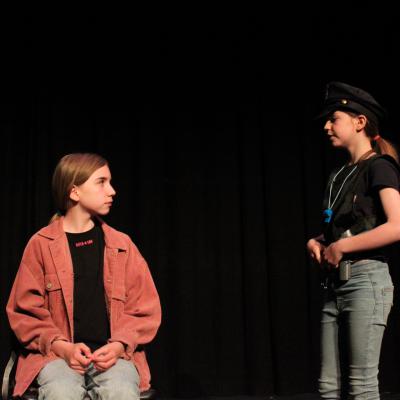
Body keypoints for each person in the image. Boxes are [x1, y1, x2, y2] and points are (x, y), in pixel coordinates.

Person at [7, 153, 161, 400]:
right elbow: (25, 313)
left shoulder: (122, 245)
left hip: (114, 358)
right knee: (61, 391)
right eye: (101, 182)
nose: (112, 191)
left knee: (120, 390)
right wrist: (62, 347)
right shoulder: (41, 245)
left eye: (110, 182)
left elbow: (144, 308)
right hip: (55, 357)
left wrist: (119, 345)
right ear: (74, 192)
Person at [306, 82, 400, 399]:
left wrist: (342, 247)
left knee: (361, 386)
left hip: (366, 281)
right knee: (328, 386)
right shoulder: (339, 174)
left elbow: (396, 226)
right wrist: (318, 241)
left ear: (360, 122)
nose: (327, 126)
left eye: (334, 119)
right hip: (335, 284)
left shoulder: (380, 167)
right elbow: (347, 227)